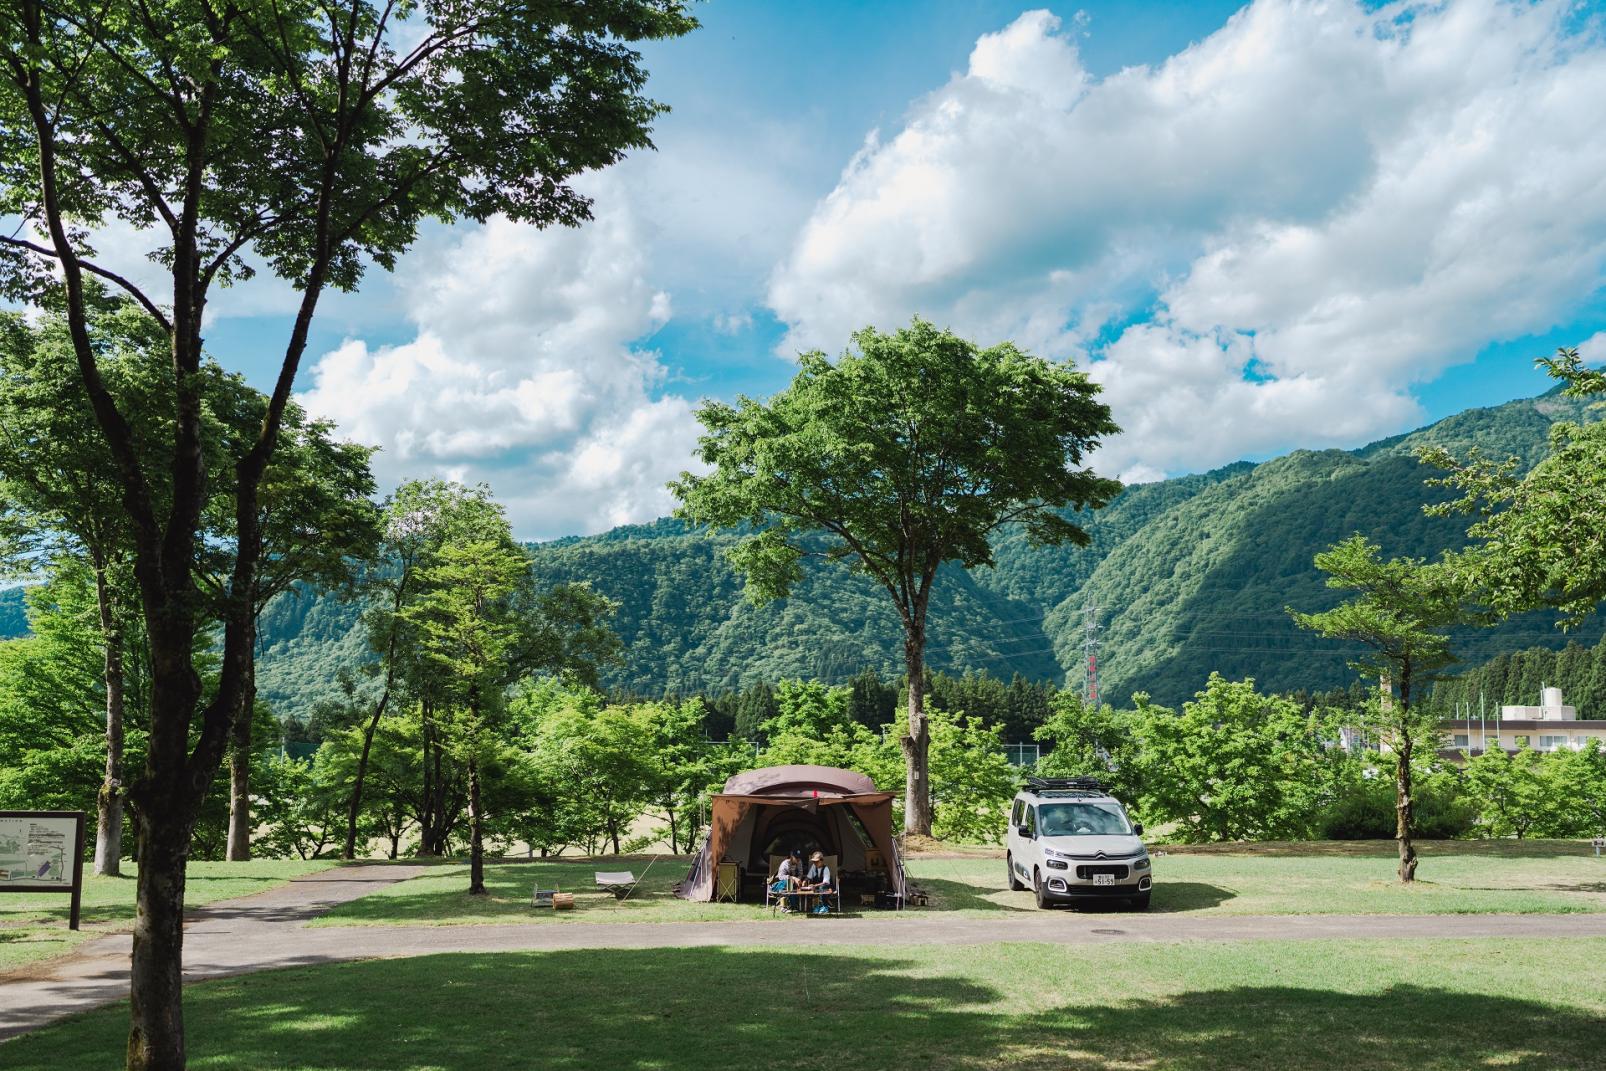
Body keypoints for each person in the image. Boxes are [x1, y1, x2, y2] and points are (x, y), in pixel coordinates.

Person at [803, 851, 835, 915]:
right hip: (816, 888)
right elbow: (809, 877)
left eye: (816, 861)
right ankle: (816, 907)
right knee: (814, 889)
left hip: (827, 888)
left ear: (821, 861)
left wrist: (815, 885)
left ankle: (825, 907)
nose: (815, 863)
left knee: (822, 887)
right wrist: (805, 881)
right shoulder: (813, 867)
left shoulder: (826, 869)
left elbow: (825, 882)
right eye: (814, 862)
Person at [771, 849, 803, 913]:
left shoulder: (799, 862)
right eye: (796, 858)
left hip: (791, 885)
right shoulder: (785, 863)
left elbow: (800, 874)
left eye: (799, 858)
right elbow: (781, 877)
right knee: (788, 882)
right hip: (778, 885)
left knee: (793, 884)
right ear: (791, 856)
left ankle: (794, 906)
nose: (798, 859)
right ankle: (783, 907)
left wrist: (798, 880)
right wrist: (793, 878)